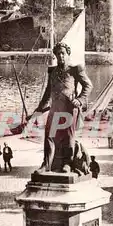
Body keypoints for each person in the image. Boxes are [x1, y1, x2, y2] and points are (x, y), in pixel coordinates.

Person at [32, 42, 93, 173]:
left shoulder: (75, 69)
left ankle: (68, 163)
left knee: (68, 136)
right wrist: (39, 109)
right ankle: (46, 164)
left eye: (63, 53)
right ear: (55, 55)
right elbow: (48, 92)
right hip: (55, 109)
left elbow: (88, 86)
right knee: (49, 136)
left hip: (69, 109)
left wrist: (80, 100)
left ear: (68, 54)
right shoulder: (52, 71)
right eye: (58, 54)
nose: (60, 56)